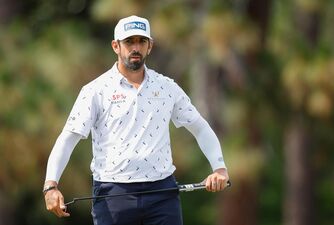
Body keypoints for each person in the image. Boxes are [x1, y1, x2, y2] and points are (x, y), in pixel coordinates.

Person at [43, 15, 229, 225]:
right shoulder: (95, 91)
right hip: (113, 193)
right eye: (129, 42)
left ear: (150, 46)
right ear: (116, 46)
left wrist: (219, 168)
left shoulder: (167, 87)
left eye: (142, 41)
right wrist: (51, 185)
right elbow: (68, 138)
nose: (136, 48)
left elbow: (200, 127)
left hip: (162, 192)